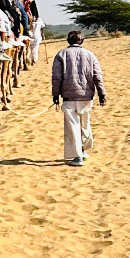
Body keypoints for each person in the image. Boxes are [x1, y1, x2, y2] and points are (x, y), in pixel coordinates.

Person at [52, 31, 106, 166]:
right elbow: (97, 76)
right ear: (82, 41)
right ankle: (83, 150)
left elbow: (56, 78)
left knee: (73, 127)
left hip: (69, 97)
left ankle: (78, 157)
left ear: (68, 41)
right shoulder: (90, 55)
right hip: (86, 96)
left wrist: (55, 95)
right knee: (85, 125)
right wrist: (102, 94)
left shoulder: (61, 55)